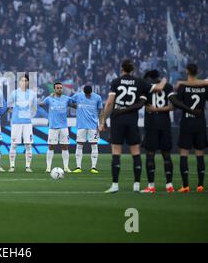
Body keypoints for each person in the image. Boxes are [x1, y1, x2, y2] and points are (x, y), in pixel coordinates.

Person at [99, 60, 166, 193]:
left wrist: (102, 120)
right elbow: (159, 88)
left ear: (122, 68)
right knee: (135, 152)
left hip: (118, 119)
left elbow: (109, 103)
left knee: (116, 152)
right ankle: (136, 185)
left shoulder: (116, 81)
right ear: (132, 69)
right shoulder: (140, 82)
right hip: (132, 119)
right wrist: (164, 79)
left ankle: (115, 185)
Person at [140, 70, 176, 193]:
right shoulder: (167, 86)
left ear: (149, 78)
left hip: (151, 124)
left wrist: (154, 109)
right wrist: (161, 109)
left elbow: (141, 103)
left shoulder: (146, 87)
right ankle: (169, 185)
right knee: (166, 155)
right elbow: (173, 105)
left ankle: (151, 186)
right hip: (165, 123)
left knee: (150, 154)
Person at [173, 64, 207, 193]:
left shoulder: (183, 86)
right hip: (200, 123)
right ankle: (200, 185)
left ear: (187, 71)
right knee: (200, 154)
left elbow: (177, 102)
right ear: (197, 72)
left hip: (187, 122)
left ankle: (185, 185)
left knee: (184, 154)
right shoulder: (203, 86)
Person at [39, 82, 72, 173]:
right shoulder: (49, 99)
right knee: (51, 146)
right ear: (54, 89)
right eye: (57, 88)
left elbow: (74, 104)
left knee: (65, 147)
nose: (59, 89)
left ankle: (66, 167)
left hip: (64, 127)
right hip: (53, 127)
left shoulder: (66, 99)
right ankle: (48, 167)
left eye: (61, 88)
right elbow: (40, 104)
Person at [8, 74, 37, 172]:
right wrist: (14, 113)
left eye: (26, 81)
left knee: (28, 144)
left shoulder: (32, 94)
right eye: (22, 81)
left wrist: (29, 116)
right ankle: (12, 166)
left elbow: (34, 108)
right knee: (14, 144)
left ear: (28, 82)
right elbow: (9, 106)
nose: (24, 83)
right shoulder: (14, 93)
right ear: (19, 82)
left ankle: (28, 166)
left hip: (27, 123)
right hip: (16, 122)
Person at [70, 85, 103, 174]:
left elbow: (100, 111)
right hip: (81, 125)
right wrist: (77, 107)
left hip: (93, 126)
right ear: (84, 92)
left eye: (89, 94)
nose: (87, 95)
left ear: (91, 92)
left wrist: (101, 123)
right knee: (79, 145)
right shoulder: (78, 96)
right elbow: (69, 102)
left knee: (94, 145)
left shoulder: (97, 97)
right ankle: (78, 167)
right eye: (86, 94)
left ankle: (94, 167)